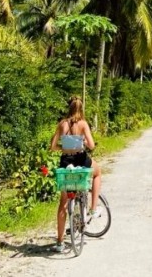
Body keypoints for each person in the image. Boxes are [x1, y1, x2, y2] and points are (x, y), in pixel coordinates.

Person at [50, 95, 102, 253]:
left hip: (66, 162)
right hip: (81, 160)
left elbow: (53, 146)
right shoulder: (83, 124)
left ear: (69, 107)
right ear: (81, 108)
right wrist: (83, 142)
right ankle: (93, 209)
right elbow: (91, 146)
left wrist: (64, 148)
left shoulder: (62, 124)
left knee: (63, 203)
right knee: (97, 172)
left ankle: (60, 242)